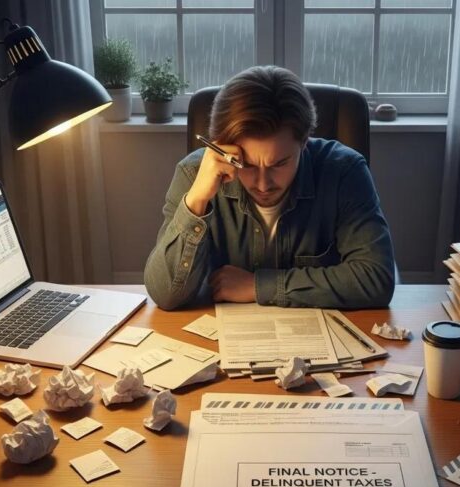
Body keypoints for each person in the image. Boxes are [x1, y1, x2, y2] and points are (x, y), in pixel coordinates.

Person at [144, 65, 395, 311]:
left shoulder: (345, 171)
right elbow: (165, 295)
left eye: (280, 163)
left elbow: (376, 278)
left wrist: (258, 286)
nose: (263, 184)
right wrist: (197, 200)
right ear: (222, 147)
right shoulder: (193, 174)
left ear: (304, 142)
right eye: (247, 164)